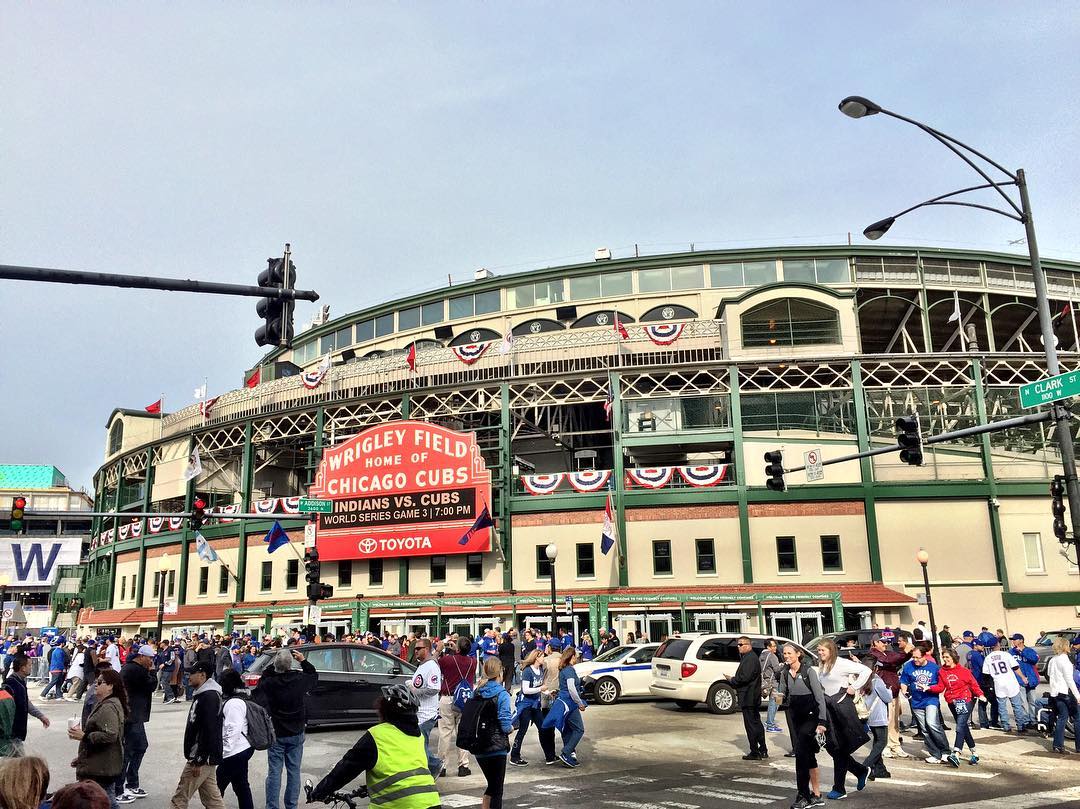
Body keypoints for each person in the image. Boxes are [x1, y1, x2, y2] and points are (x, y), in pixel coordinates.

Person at [311, 684, 439, 807]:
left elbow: (345, 769)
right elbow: (405, 770)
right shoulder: (418, 737)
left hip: (400, 804)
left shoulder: (377, 735)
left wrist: (318, 792)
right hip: (431, 802)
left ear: (384, 710)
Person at [253, 648, 317, 809]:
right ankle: (291, 805)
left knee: (274, 772)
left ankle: (272, 806)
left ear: (276, 665)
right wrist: (303, 661)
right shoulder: (299, 679)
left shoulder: (270, 683)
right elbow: (313, 675)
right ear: (291, 665)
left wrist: (273, 665)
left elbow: (261, 683)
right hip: (296, 730)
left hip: (277, 732)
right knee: (294, 771)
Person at [814, 639, 870, 799]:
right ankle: (860, 771)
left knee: (841, 748)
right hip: (829, 709)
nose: (820, 653)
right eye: (818, 650)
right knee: (832, 747)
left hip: (843, 708)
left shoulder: (841, 663)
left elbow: (865, 671)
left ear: (831, 650)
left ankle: (839, 788)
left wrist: (854, 687)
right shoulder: (822, 665)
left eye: (822, 650)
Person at [168, 661, 224, 809]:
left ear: (202, 675)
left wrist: (199, 759)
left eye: (191, 674)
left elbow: (209, 730)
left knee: (180, 799)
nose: (188, 677)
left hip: (201, 757)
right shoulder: (202, 694)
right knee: (213, 801)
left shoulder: (209, 697)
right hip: (205, 756)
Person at [775, 643, 825, 808]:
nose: (786, 656)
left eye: (789, 653)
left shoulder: (809, 671)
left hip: (811, 717)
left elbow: (819, 698)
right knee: (809, 756)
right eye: (784, 653)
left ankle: (803, 795)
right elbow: (782, 695)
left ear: (798, 654)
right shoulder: (784, 672)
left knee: (801, 754)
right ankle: (817, 795)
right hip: (795, 716)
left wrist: (822, 722)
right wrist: (775, 696)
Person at [70, 668, 128, 807]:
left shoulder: (108, 707)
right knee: (106, 800)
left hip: (101, 768)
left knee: (104, 802)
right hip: (100, 764)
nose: (96, 684)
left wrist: (85, 736)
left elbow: (110, 735)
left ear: (110, 686)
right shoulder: (106, 704)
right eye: (96, 681)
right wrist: (82, 758)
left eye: (100, 682)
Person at [469, 657, 514, 809]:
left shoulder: (477, 692)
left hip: (479, 746)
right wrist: (511, 728)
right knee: (497, 789)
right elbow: (505, 723)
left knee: (492, 785)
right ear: (500, 672)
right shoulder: (502, 694)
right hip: (497, 747)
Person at [116, 644, 157, 804]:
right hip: (132, 716)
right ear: (142, 657)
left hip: (133, 715)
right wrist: (153, 672)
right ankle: (120, 788)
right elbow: (151, 685)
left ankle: (130, 783)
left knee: (139, 747)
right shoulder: (136, 670)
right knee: (129, 750)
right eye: (150, 658)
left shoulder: (130, 668)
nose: (151, 662)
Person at [900, 645, 952, 765]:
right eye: (913, 657)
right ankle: (935, 753)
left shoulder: (934, 668)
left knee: (932, 724)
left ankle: (945, 751)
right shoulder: (909, 666)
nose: (915, 660)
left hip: (930, 699)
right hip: (916, 701)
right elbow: (904, 680)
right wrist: (904, 690)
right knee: (924, 729)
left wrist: (929, 688)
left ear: (924, 656)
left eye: (918, 657)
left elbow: (940, 686)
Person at [933, 647, 982, 766]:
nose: (945, 660)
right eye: (943, 657)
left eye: (947, 657)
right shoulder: (942, 671)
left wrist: (980, 694)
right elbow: (940, 687)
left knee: (959, 725)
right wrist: (928, 688)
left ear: (953, 658)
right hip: (952, 701)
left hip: (965, 699)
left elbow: (973, 684)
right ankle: (974, 753)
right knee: (963, 727)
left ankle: (956, 753)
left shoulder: (964, 671)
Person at [437, 635, 477, 778]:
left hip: (448, 697)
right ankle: (463, 766)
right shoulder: (473, 662)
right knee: (463, 733)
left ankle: (442, 766)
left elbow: (436, 663)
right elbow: (463, 660)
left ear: (458, 648)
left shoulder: (448, 660)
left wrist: (444, 650)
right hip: (465, 700)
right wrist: (458, 650)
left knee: (445, 733)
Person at [510, 650, 556, 766]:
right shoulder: (527, 671)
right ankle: (514, 756)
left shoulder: (540, 670)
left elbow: (540, 687)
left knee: (543, 728)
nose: (544, 658)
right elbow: (525, 690)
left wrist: (548, 692)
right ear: (536, 658)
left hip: (535, 704)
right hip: (525, 704)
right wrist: (540, 689)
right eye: (542, 656)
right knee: (522, 730)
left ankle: (549, 756)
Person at [867, 633, 909, 759]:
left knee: (894, 722)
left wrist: (909, 652)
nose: (885, 644)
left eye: (886, 642)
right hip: (882, 695)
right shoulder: (873, 655)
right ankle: (885, 746)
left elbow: (897, 658)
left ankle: (895, 745)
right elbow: (889, 661)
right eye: (882, 642)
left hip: (894, 693)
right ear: (875, 643)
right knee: (885, 721)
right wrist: (905, 652)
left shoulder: (888, 653)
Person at [723, 636, 767, 760]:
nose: (738, 647)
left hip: (749, 697)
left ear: (748, 645)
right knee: (756, 723)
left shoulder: (750, 658)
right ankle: (762, 749)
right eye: (738, 645)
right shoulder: (748, 658)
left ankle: (755, 751)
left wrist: (732, 679)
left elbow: (744, 677)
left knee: (751, 725)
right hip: (751, 696)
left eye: (741, 645)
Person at [216, 670, 253, 809]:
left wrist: (224, 752)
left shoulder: (234, 703)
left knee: (216, 787)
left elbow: (233, 730)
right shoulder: (242, 697)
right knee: (241, 785)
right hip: (243, 748)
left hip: (235, 751)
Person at [982, 632, 1029, 733]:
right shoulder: (1005, 654)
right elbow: (1016, 667)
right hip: (1010, 682)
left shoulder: (988, 658)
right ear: (998, 645)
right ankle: (1021, 726)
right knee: (1016, 705)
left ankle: (1006, 725)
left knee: (1002, 706)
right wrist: (1023, 677)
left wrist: (989, 686)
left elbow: (986, 674)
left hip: (999, 683)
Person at [549, 647, 586, 768]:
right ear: (571, 657)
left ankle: (568, 754)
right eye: (575, 656)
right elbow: (571, 688)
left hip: (562, 703)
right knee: (579, 729)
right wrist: (579, 702)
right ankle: (566, 752)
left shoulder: (563, 669)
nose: (576, 658)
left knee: (567, 729)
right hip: (569, 703)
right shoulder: (570, 670)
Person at [410, 639, 442, 778]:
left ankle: (432, 767)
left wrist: (416, 691)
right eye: (415, 649)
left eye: (418, 648)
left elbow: (434, 688)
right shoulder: (423, 665)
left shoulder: (431, 667)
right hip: (420, 712)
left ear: (427, 649)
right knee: (419, 744)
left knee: (420, 745)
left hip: (426, 713)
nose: (415, 651)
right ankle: (432, 765)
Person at [4, 655, 50, 751]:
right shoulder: (10, 684)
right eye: (29, 665)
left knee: (16, 762)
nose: (31, 667)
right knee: (17, 762)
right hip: (11, 733)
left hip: (17, 733)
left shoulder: (20, 682)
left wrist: (41, 716)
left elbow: (26, 703)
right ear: (23, 668)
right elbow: (6, 707)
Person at [1047, 636, 1080, 755]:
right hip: (1066, 692)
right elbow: (1069, 680)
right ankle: (1079, 746)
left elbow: (1050, 676)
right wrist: (1077, 696)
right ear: (1065, 647)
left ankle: (1057, 745)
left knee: (1062, 718)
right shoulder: (1065, 661)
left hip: (1056, 692)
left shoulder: (1053, 660)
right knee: (1077, 718)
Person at [860, 667, 892, 781]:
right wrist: (889, 690)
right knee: (882, 742)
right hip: (879, 716)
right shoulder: (877, 680)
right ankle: (864, 767)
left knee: (877, 741)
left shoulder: (862, 679)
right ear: (875, 668)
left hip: (869, 716)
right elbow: (888, 698)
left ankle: (879, 769)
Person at [1009, 633, 1040, 721]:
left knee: (1032, 702)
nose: (1013, 641)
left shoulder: (1029, 650)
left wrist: (1022, 652)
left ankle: (1033, 720)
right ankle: (1026, 721)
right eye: (1012, 640)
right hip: (1019, 680)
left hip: (1031, 679)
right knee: (1022, 702)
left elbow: (1035, 659)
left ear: (1021, 641)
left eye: (1015, 639)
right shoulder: (1011, 652)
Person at [759, 639, 783, 734]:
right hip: (774, 683)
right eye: (773, 646)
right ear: (768, 647)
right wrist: (784, 665)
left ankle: (769, 722)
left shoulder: (762, 655)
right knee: (776, 702)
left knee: (774, 702)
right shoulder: (772, 656)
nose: (775, 648)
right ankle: (770, 724)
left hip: (766, 682)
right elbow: (777, 669)